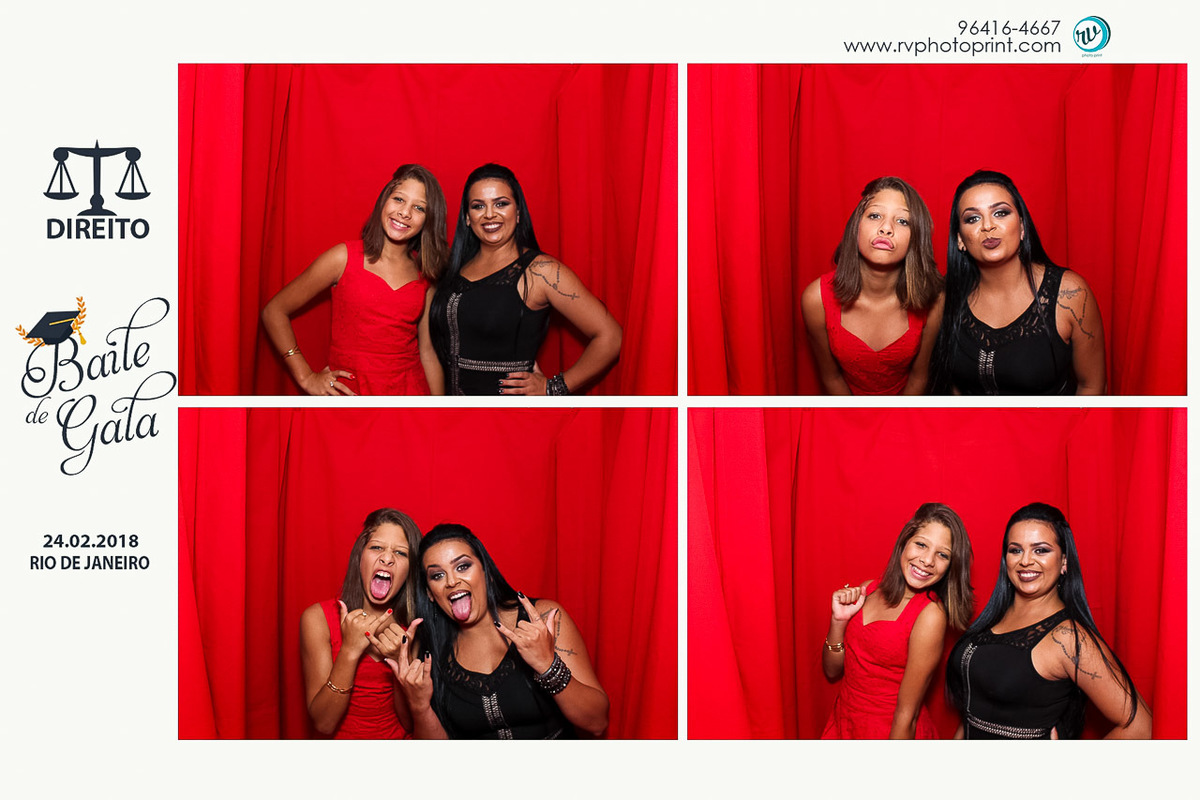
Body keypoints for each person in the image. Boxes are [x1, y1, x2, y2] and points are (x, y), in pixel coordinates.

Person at [946, 503, 1150, 739]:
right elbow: (972, 714)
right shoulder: (993, 617)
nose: (1025, 561)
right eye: (1015, 550)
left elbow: (1140, 726)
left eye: (1041, 550)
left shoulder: (1068, 638)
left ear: (1064, 561)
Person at [389, 523, 608, 738]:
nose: (452, 581)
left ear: (485, 571)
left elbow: (597, 722)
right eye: (437, 575)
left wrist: (546, 664)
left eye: (463, 566)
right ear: (429, 593)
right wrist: (420, 707)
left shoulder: (543, 619)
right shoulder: (429, 652)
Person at [427, 163, 621, 395]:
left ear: (518, 213)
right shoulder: (452, 268)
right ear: (468, 218)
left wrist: (553, 388)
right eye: (478, 206)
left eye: (501, 203)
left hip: (511, 413)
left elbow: (611, 337)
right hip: (452, 412)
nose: (489, 214)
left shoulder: (541, 271)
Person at [262, 164, 449, 395]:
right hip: (352, 395)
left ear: (428, 220)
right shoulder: (343, 258)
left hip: (409, 395)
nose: (405, 212)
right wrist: (306, 377)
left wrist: (438, 410)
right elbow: (274, 311)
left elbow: (427, 352)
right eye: (399, 199)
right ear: (384, 200)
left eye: (419, 207)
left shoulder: (425, 274)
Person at [930, 170, 1105, 395]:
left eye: (1000, 213)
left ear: (1022, 227)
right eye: (973, 218)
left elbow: (1092, 386)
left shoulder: (1070, 293)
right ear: (960, 239)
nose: (988, 226)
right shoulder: (945, 296)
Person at [822, 502, 974, 739]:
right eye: (921, 544)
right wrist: (838, 621)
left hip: (889, 733)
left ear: (950, 566)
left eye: (942, 555)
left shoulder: (930, 615)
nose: (928, 560)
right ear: (905, 541)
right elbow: (832, 671)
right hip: (844, 723)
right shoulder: (868, 589)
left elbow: (907, 715)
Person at [801, 176, 944, 395]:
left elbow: (920, 376)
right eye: (875, 215)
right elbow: (831, 377)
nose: (886, 228)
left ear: (916, 238)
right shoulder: (816, 299)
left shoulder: (934, 299)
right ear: (856, 225)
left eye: (902, 221)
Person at [298, 508, 424, 738]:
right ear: (360, 556)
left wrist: (400, 662)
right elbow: (324, 723)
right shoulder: (317, 619)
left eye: (400, 552)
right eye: (377, 547)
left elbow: (409, 724)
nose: (387, 558)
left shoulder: (412, 628)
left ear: (410, 570)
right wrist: (349, 650)